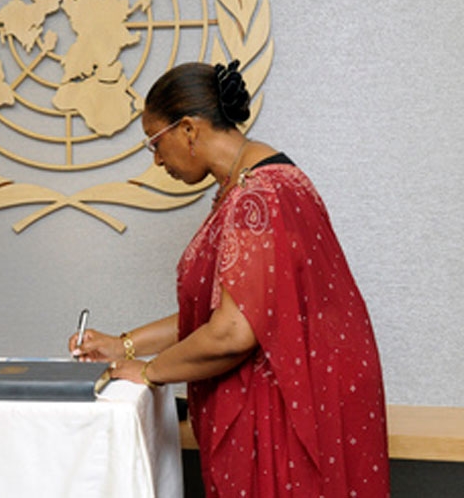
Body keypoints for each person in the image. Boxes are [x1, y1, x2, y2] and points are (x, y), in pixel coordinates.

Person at [70, 60, 390, 497]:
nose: (157, 160)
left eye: (155, 143)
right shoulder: (251, 185)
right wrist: (123, 345)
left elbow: (232, 333)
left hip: (290, 406)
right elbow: (227, 311)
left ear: (188, 129)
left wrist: (149, 371)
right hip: (311, 394)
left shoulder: (258, 196)